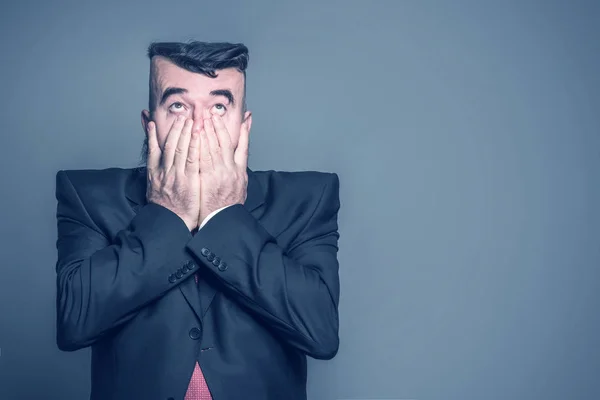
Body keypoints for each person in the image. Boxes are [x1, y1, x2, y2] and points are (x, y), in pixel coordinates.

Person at [54, 40, 341, 400]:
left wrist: (223, 213)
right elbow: (75, 322)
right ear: (150, 123)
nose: (199, 126)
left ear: (244, 124)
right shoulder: (89, 195)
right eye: (177, 105)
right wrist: (168, 212)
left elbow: (321, 332)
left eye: (219, 107)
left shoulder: (307, 199)